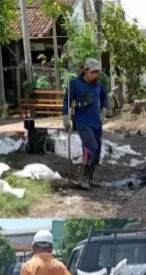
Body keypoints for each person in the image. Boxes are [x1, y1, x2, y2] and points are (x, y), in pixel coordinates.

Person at [62, 58, 109, 190]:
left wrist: (104, 109)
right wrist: (66, 117)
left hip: (96, 122)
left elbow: (104, 96)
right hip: (82, 122)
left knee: (97, 151)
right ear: (86, 70)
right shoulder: (75, 84)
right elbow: (67, 101)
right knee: (91, 148)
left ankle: (90, 178)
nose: (95, 74)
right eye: (93, 72)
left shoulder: (98, 84)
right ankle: (84, 178)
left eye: (97, 72)